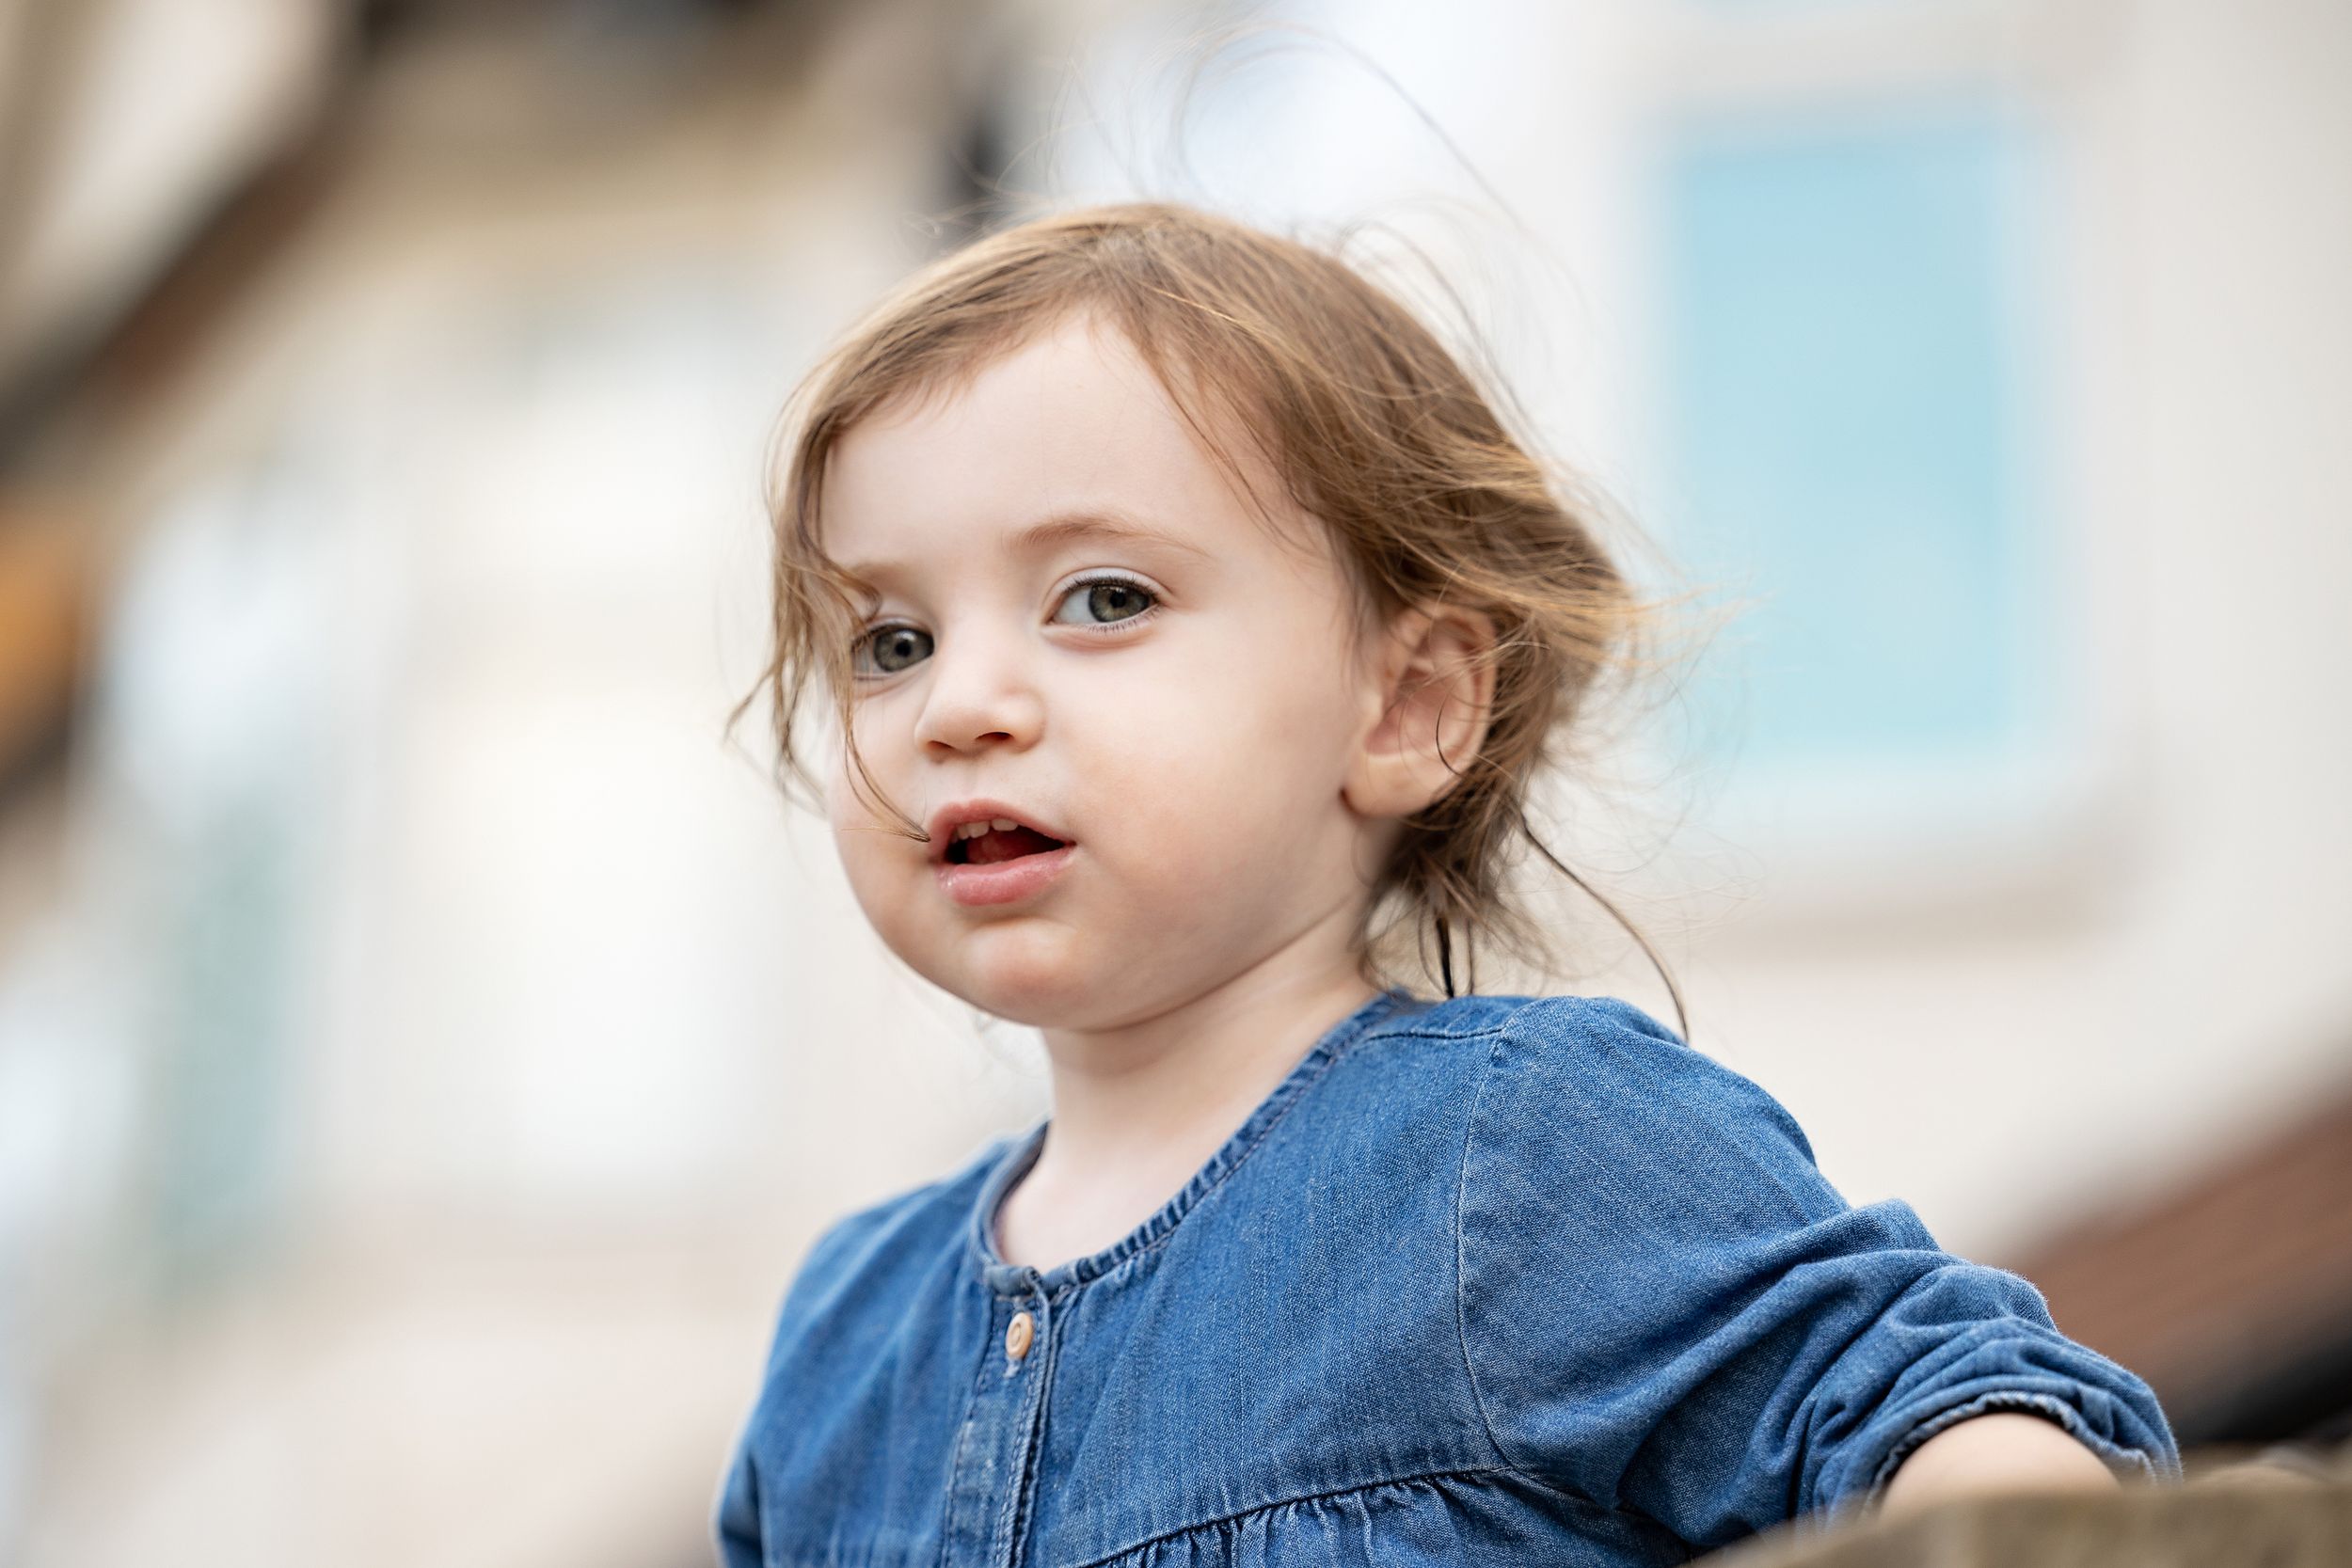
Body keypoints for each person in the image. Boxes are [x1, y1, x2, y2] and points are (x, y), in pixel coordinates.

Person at [713, 201, 2178, 1568]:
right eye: (889, 640)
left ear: (1409, 705)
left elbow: (1932, 1414)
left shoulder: (1518, 1153)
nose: (959, 703)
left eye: (1104, 599)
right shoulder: (847, 1335)